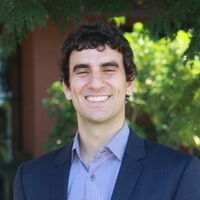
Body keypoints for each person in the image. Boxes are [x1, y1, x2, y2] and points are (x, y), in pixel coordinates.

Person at [14, 21, 200, 200]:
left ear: (129, 83)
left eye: (108, 70)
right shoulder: (30, 178)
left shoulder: (178, 172)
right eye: (82, 71)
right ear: (67, 88)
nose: (95, 84)